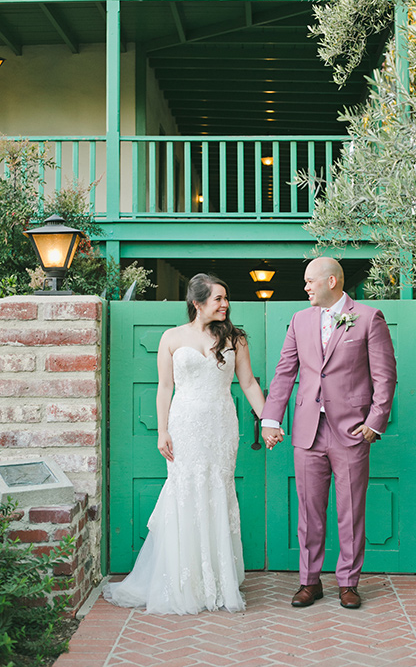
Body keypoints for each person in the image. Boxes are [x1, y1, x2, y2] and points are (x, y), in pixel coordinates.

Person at [103, 273, 265, 615]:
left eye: (226, 298)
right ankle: (183, 581)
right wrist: (162, 430)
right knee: (186, 490)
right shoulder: (171, 338)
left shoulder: (235, 338)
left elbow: (248, 383)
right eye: (218, 298)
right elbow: (165, 388)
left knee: (217, 489)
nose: (225, 304)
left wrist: (267, 419)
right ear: (197, 302)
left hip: (221, 424)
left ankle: (217, 580)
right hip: (185, 424)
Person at [261, 257, 397, 609]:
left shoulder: (368, 317)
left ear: (332, 281)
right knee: (309, 511)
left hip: (351, 431)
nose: (305, 287)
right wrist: (271, 419)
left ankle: (348, 583)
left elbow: (385, 376)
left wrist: (375, 422)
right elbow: (284, 372)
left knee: (351, 511)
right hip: (307, 430)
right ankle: (309, 582)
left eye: (310, 281)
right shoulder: (299, 320)